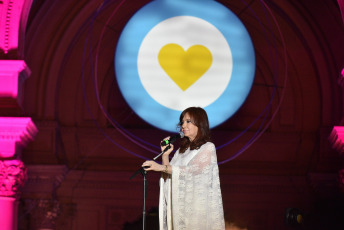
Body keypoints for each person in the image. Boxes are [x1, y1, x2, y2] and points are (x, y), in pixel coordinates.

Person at [142, 107, 225, 230]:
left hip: (196, 212)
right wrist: (165, 155)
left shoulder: (207, 147)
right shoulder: (181, 151)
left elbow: (192, 171)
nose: (183, 125)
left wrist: (159, 167)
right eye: (182, 122)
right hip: (180, 211)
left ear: (200, 123)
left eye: (188, 121)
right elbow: (170, 176)